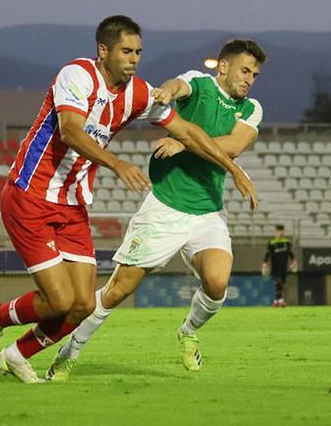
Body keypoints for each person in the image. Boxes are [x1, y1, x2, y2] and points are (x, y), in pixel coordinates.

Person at [0, 16, 258, 384]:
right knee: (60, 301)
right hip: (30, 194)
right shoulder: (77, 75)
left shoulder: (137, 93)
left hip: (73, 204)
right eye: (126, 51)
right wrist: (117, 163)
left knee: (84, 304)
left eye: (138, 51)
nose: (134, 58)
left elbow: (187, 130)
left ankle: (17, 354)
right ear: (103, 51)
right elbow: (70, 131)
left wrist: (233, 169)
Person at [46, 39, 267, 381]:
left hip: (208, 212)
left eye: (255, 74)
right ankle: (70, 350)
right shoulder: (201, 82)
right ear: (223, 66)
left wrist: (183, 142)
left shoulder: (251, 108)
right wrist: (164, 91)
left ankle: (188, 331)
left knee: (217, 282)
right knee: (118, 290)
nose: (250, 79)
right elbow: (176, 87)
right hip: (164, 207)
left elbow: (235, 146)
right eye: (245, 70)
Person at [263, 224, 294, 307]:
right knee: (278, 282)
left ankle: (276, 301)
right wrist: (265, 263)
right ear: (276, 232)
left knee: (282, 283)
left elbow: (290, 253)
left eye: (282, 231)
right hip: (275, 267)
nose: (280, 233)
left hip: (284, 267)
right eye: (279, 231)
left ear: (284, 232)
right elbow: (268, 254)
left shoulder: (287, 242)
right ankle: (281, 300)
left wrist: (293, 262)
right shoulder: (272, 242)